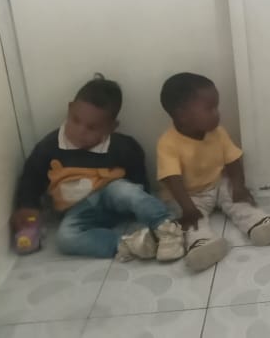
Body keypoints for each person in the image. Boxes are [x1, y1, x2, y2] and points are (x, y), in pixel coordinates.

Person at [11, 75, 184, 261]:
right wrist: (27, 206)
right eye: (75, 120)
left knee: (125, 191)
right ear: (69, 109)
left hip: (111, 195)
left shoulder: (122, 147)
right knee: (65, 238)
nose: (80, 131)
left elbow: (138, 176)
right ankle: (129, 244)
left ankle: (166, 227)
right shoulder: (49, 147)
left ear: (111, 127)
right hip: (78, 210)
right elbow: (31, 177)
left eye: (92, 128)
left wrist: (140, 199)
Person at [158, 72, 270, 271]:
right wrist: (188, 208)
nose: (217, 114)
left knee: (235, 196)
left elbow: (232, 161)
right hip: (187, 195)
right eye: (210, 109)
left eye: (216, 107)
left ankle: (259, 224)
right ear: (183, 115)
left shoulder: (218, 133)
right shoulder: (168, 144)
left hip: (216, 184)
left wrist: (239, 186)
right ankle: (201, 244)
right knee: (193, 221)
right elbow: (173, 180)